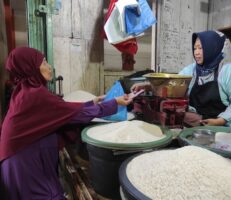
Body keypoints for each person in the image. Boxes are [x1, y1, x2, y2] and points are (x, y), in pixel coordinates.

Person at [0, 47, 132, 199]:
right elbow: (72, 113)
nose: (49, 67)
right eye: (43, 62)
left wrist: (93, 101)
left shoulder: (25, 91)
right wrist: (114, 103)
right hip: (24, 166)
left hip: (18, 161)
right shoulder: (35, 95)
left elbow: (62, 110)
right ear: (30, 67)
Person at [132, 30, 231, 127]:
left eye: (201, 48)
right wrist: (147, 86)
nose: (197, 52)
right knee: (172, 114)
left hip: (227, 119)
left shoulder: (227, 70)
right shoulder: (191, 70)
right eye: (195, 48)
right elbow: (172, 84)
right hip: (200, 118)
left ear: (212, 48)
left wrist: (220, 121)